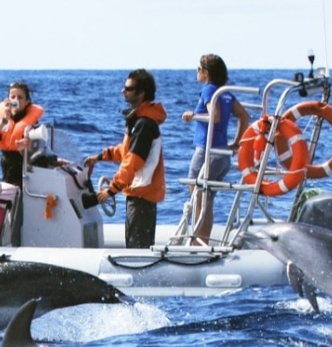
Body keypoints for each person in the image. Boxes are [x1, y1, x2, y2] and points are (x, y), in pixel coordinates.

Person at [84, 69, 167, 249]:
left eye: (128, 88)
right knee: (139, 245)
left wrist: (111, 190)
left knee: (137, 248)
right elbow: (126, 150)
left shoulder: (144, 124)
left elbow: (132, 162)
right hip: (140, 195)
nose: (124, 91)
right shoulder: (140, 122)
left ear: (141, 93)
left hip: (141, 196)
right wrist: (100, 157)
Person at [180, 54, 250, 245]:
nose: (196, 72)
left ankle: (196, 244)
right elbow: (244, 116)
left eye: (198, 69)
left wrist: (192, 115)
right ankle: (203, 242)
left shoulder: (209, 90)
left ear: (206, 73)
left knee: (197, 197)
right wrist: (236, 143)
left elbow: (215, 116)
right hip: (222, 155)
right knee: (207, 201)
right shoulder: (225, 92)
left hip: (206, 152)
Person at [0, 81, 44, 187]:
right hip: (6, 162)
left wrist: (24, 148)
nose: (16, 100)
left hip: (23, 164)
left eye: (20, 97)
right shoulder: (4, 119)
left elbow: (36, 150)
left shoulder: (32, 122)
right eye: (13, 97)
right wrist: (5, 119)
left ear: (27, 101)